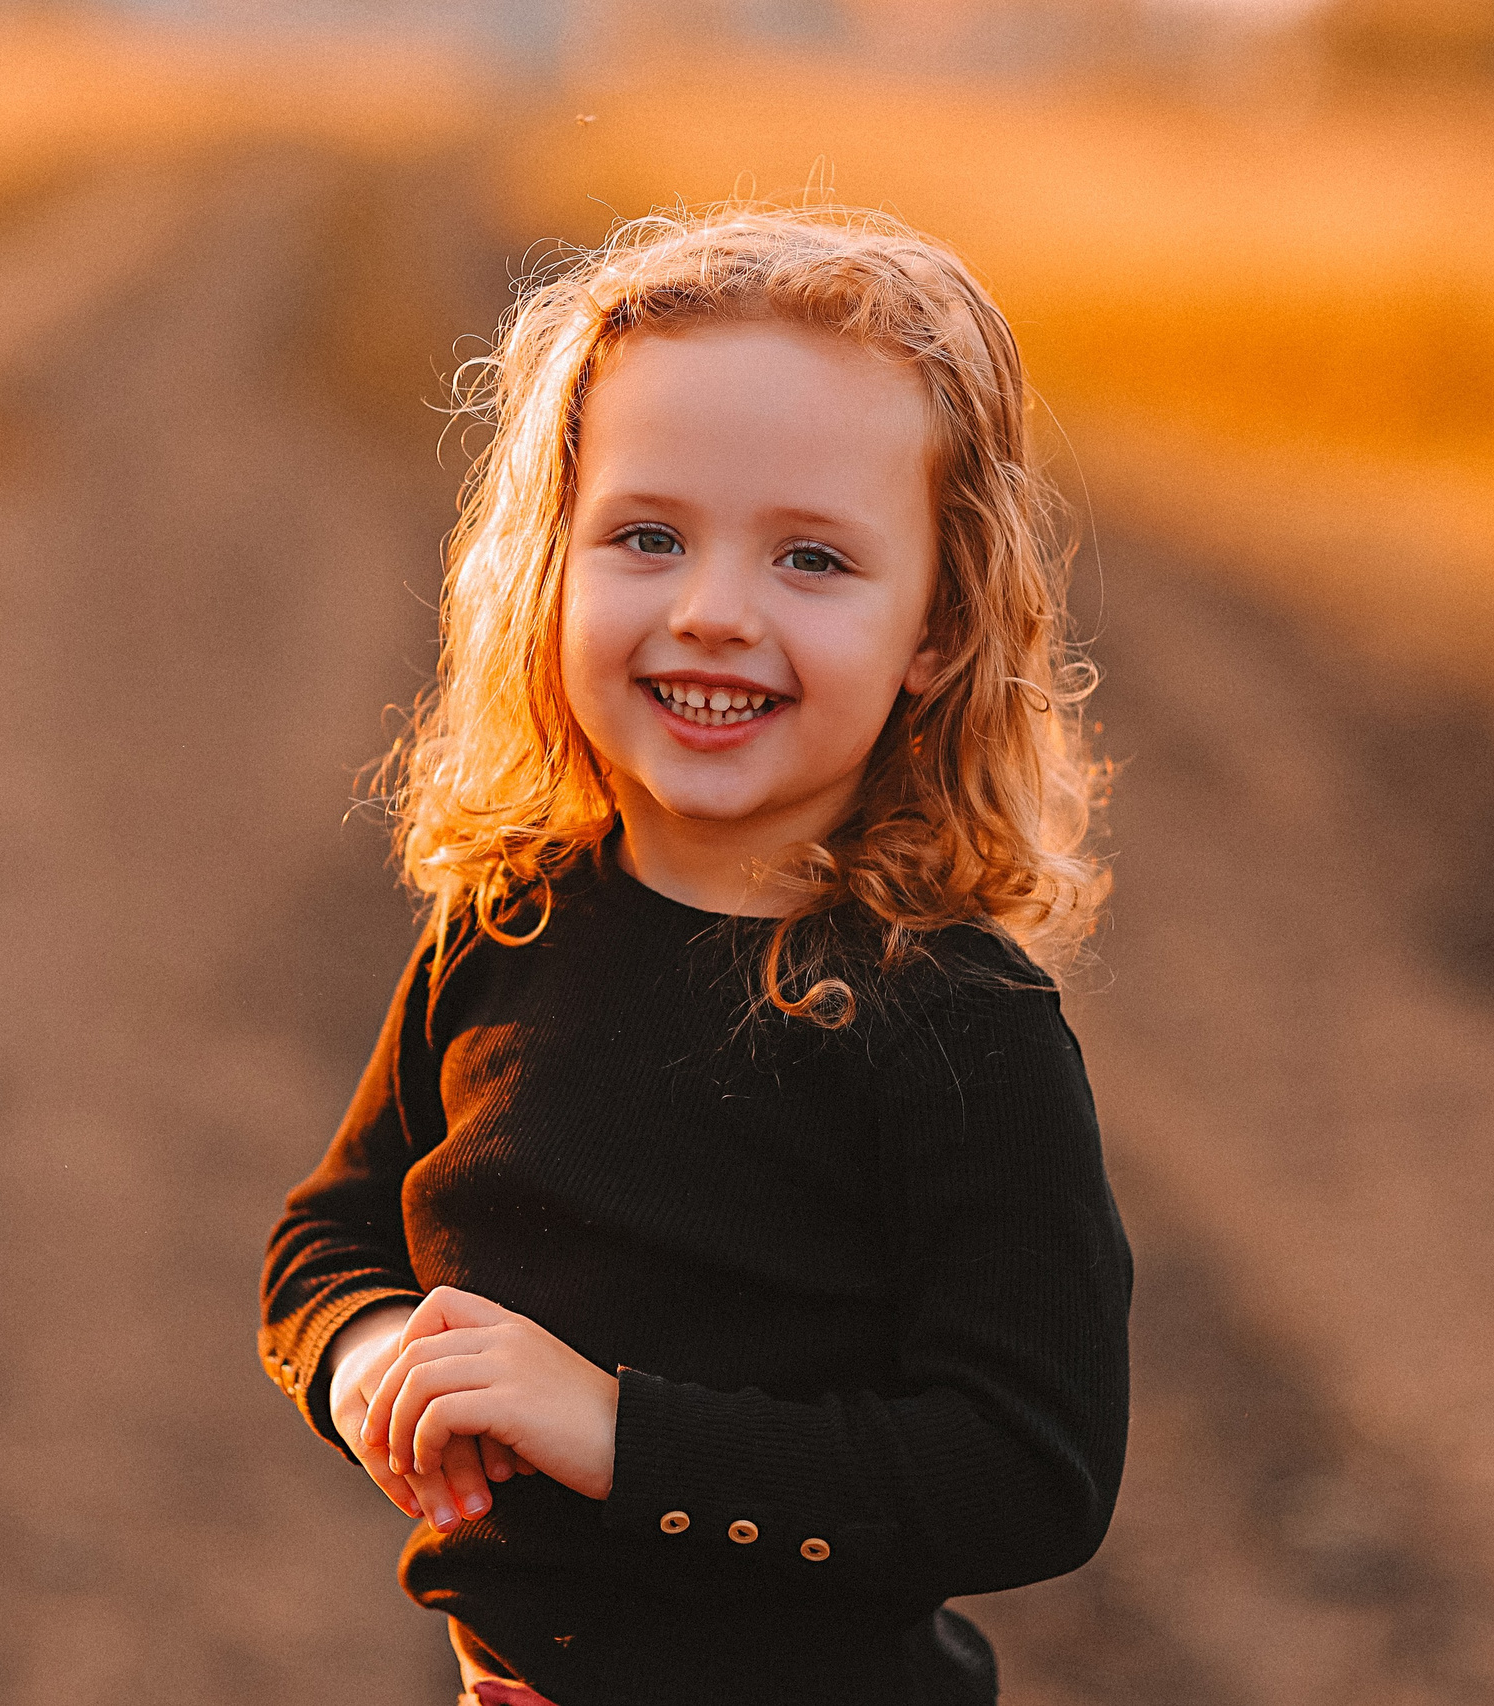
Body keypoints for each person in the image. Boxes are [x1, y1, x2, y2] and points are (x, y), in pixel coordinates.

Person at [257, 202, 1130, 1706]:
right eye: (648, 537)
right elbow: (326, 1237)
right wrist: (374, 1356)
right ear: (551, 566)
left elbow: (1028, 1469)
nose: (714, 612)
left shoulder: (955, 1025)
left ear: (937, 628)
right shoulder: (508, 923)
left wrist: (620, 1434)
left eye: (813, 558)